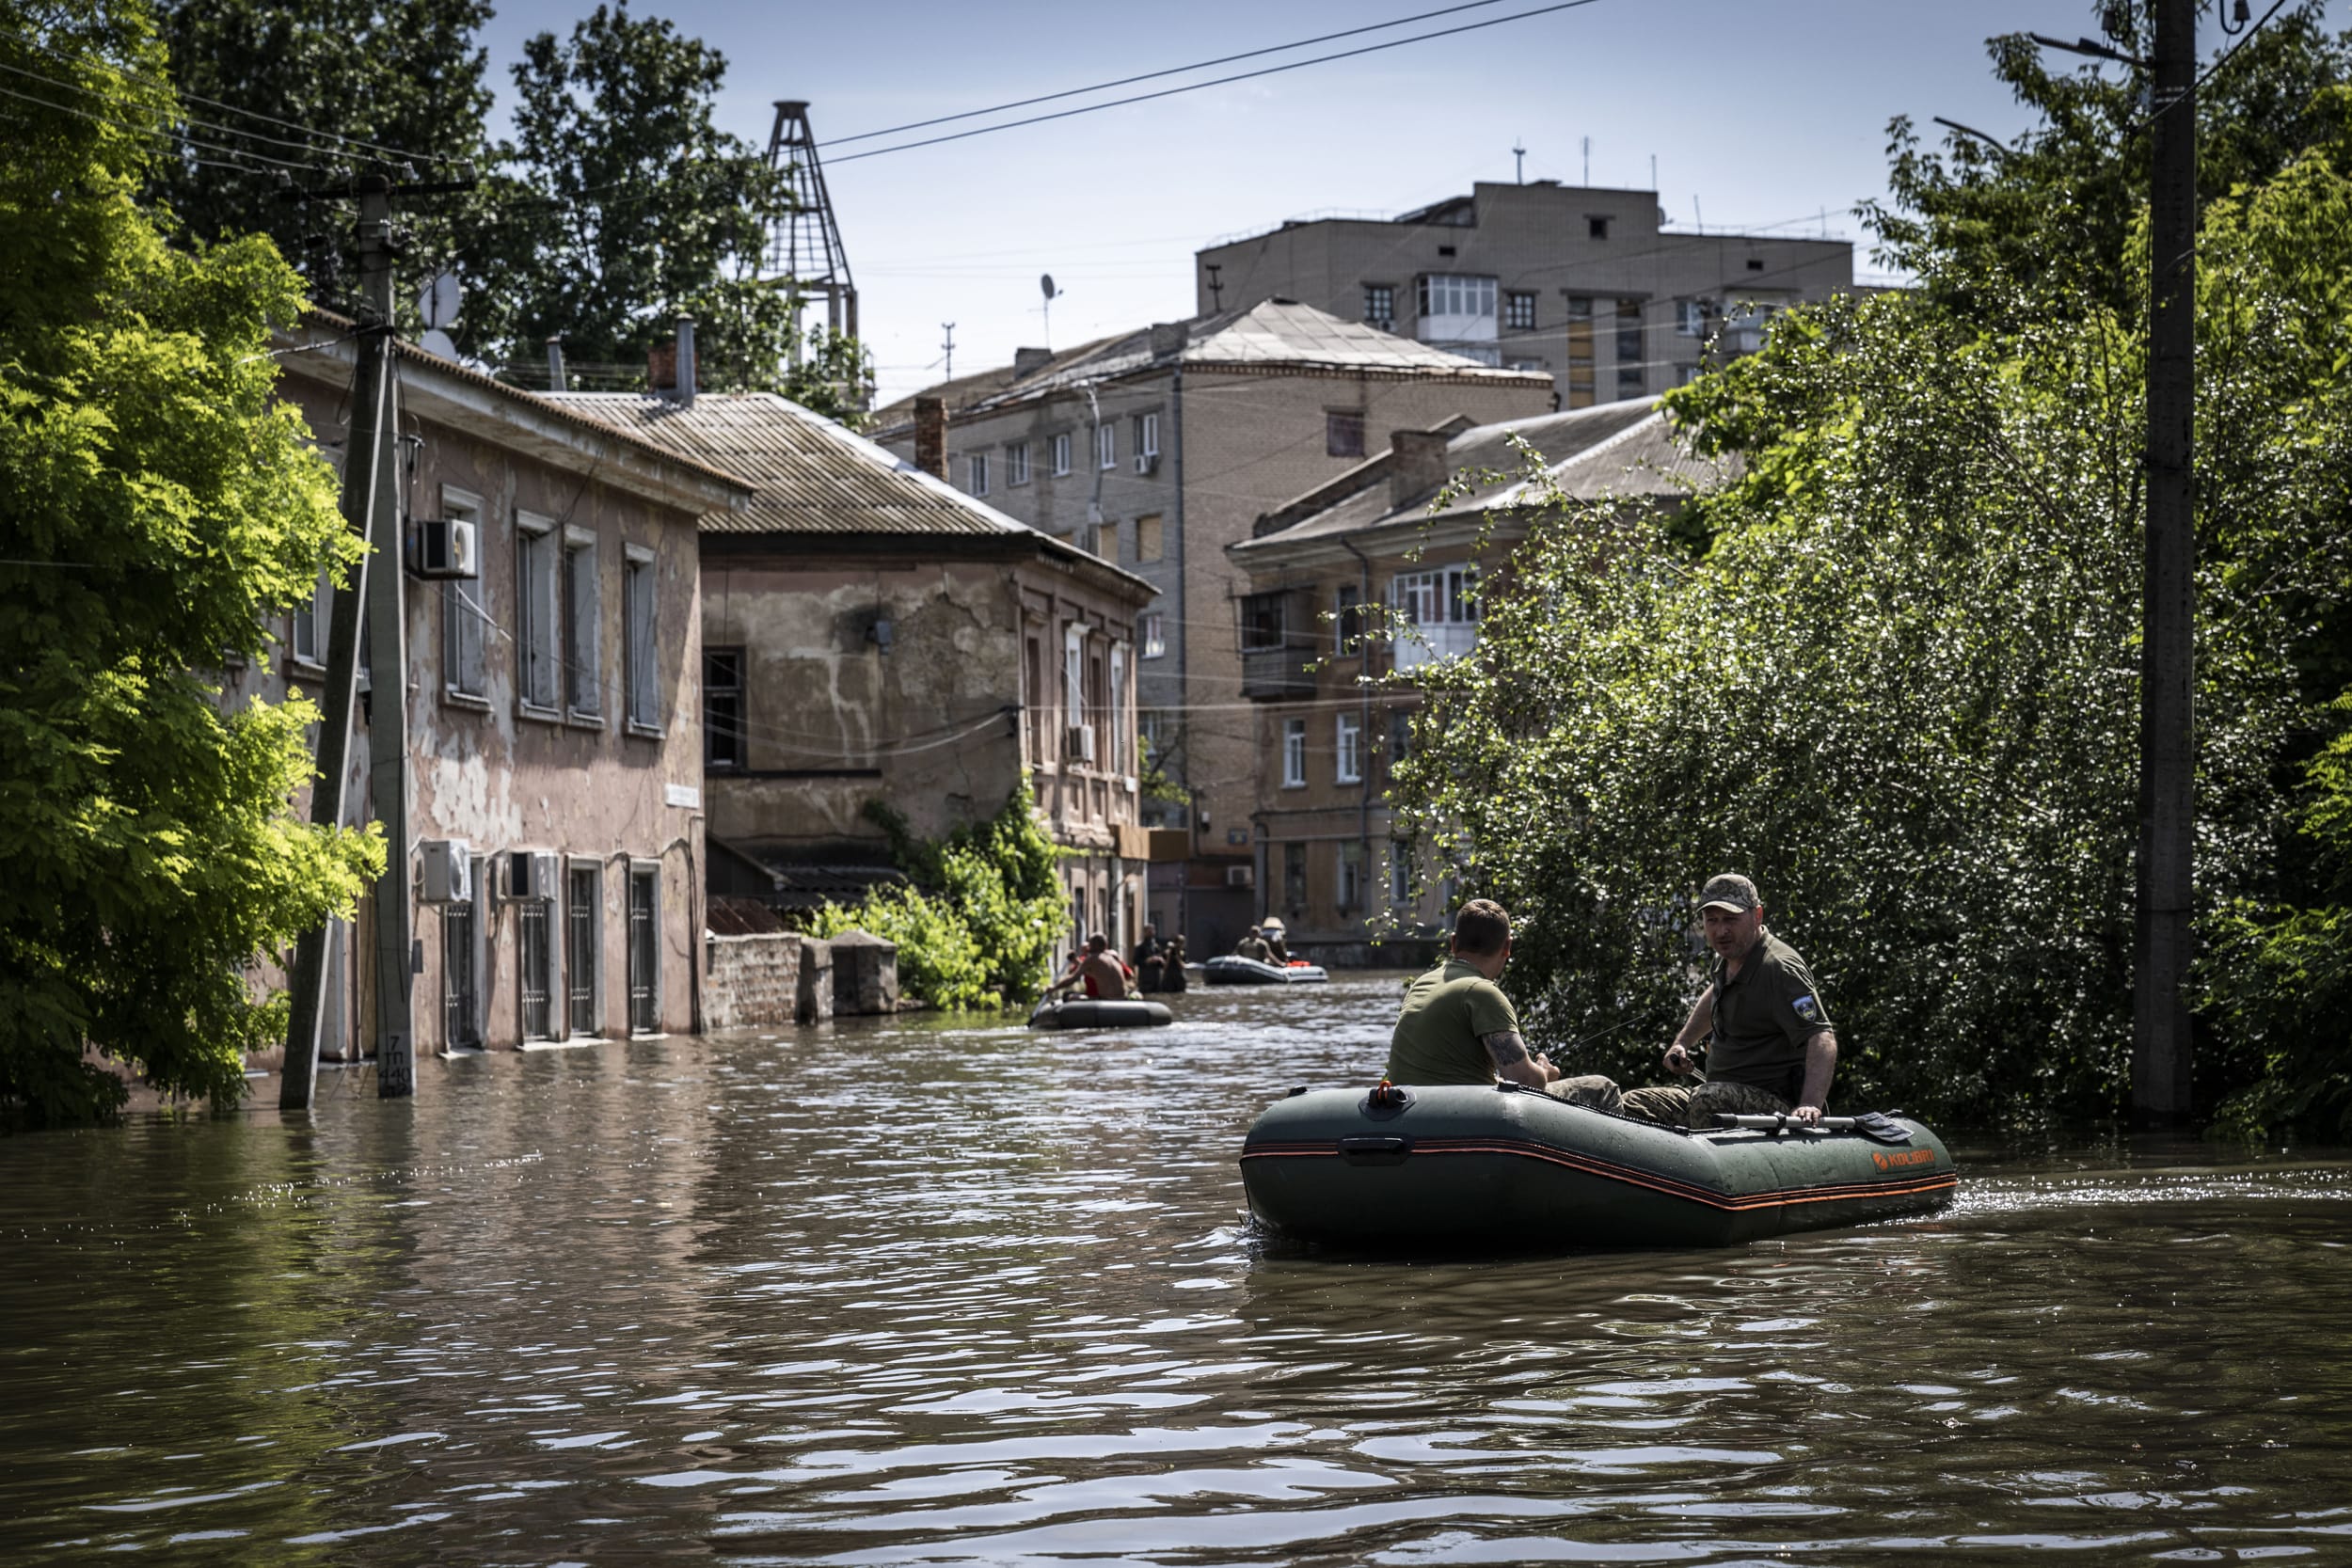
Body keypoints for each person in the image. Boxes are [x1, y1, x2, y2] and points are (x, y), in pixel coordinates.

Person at [1559, 874, 1838, 1128]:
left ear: (1757, 915)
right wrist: (1682, 1042)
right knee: (1633, 1105)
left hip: (1773, 1104)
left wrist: (1809, 1104)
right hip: (1716, 1092)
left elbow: (1821, 1037)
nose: (1720, 931)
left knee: (1707, 1100)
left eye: (1730, 919)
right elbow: (1716, 993)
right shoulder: (1726, 960)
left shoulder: (1778, 968)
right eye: (1712, 921)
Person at [1384, 898, 1561, 1089]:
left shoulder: (1422, 983)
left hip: (1407, 1108)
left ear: (1453, 942)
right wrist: (1544, 1071)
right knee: (1596, 1085)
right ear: (1507, 947)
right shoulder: (1482, 993)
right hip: (1460, 1113)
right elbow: (1526, 1081)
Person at [1048, 933, 1136, 1000]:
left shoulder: (1092, 959)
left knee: (1071, 997)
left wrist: (1054, 988)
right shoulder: (1112, 957)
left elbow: (1073, 978)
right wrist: (1076, 961)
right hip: (1123, 998)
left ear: (1092, 945)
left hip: (1106, 1000)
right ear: (1105, 945)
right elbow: (1095, 973)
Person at [1131, 925, 1165, 993]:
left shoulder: (1157, 947)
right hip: (1145, 979)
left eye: (1152, 931)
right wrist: (1147, 961)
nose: (1150, 933)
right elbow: (1135, 961)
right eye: (1148, 931)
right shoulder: (1140, 947)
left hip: (1156, 979)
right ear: (1144, 932)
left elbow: (1163, 964)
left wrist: (1160, 960)